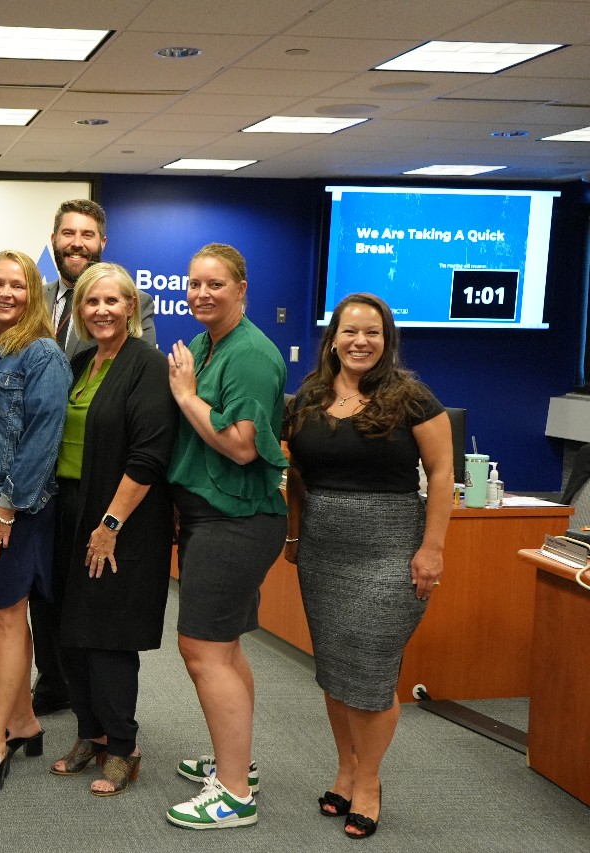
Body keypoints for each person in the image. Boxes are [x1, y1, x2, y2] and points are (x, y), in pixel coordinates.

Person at [284, 293, 451, 839]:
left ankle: (371, 782)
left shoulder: (411, 398)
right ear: (333, 338)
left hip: (391, 546)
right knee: (335, 669)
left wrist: (432, 549)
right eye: (350, 331)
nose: (360, 342)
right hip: (324, 547)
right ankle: (346, 769)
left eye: (372, 333)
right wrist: (294, 534)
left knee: (372, 672)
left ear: (386, 339)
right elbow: (297, 479)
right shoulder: (307, 397)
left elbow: (443, 474)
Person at [164, 243, 288, 830]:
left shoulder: (252, 355)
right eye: (194, 284)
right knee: (226, 648)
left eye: (215, 284)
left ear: (242, 288)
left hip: (235, 520)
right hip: (213, 516)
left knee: (202, 650)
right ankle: (237, 763)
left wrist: (187, 396)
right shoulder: (209, 344)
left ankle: (234, 794)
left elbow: (241, 445)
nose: (201, 294)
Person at [46, 262, 177, 797]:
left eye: (112, 301)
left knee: (108, 637)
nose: (101, 311)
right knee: (69, 631)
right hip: (69, 510)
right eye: (91, 303)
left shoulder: (147, 366)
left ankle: (122, 747)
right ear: (79, 312)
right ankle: (89, 733)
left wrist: (110, 524)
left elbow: (148, 457)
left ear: (131, 308)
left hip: (120, 518)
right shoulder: (80, 362)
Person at [0, 249, 71, 798]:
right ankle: (24, 720)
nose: (6, 294)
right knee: (9, 614)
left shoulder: (42, 354)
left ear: (34, 295)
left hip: (14, 505)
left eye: (18, 286)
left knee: (6, 616)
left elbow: (41, 440)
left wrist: (7, 508)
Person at [32, 198, 156, 717]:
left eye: (86, 234)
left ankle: (112, 730)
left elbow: (140, 418)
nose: (75, 242)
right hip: (52, 481)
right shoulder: (36, 298)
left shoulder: (136, 333)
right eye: (67, 233)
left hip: (106, 478)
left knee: (99, 610)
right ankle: (57, 683)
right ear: (54, 240)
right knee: (53, 597)